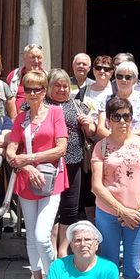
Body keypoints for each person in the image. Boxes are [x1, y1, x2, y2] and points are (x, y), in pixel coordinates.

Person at [5, 69, 68, 279]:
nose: (32, 93)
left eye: (37, 89)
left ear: (44, 91)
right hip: (27, 181)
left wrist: (30, 159)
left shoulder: (55, 112)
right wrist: (28, 167)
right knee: (31, 235)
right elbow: (11, 151)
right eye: (28, 89)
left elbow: (61, 148)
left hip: (52, 181)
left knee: (43, 235)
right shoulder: (21, 118)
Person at [91, 96, 140, 279]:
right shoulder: (101, 147)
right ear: (108, 120)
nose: (122, 121)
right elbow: (96, 186)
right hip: (109, 214)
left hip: (138, 215)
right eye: (116, 116)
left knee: (133, 267)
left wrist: (138, 211)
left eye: (126, 116)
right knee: (109, 265)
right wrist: (121, 211)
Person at [45, 69, 95, 257]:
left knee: (70, 206)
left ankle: (63, 250)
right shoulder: (40, 105)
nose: (61, 89)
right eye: (57, 85)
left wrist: (88, 124)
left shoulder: (78, 105)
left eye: (65, 86)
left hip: (74, 162)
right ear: (49, 86)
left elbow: (91, 132)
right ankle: (50, 249)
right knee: (51, 208)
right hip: (48, 164)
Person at [97, 61, 140, 140]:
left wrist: (126, 138)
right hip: (112, 144)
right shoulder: (106, 100)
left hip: (137, 143)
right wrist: (116, 140)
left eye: (128, 77)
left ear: (135, 80)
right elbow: (101, 129)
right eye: (119, 76)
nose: (123, 80)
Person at [6, 44, 45, 111]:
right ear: (24, 59)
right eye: (32, 57)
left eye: (39, 57)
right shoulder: (14, 76)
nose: (36, 61)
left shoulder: (48, 77)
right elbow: (8, 99)